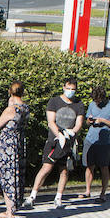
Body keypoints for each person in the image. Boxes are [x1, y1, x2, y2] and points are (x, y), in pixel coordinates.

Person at [24, 78, 84, 210]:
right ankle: (33, 196)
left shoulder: (78, 104)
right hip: (54, 141)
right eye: (68, 88)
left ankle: (58, 197)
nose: (70, 91)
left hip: (69, 142)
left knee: (64, 170)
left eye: (73, 89)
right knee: (46, 167)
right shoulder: (54, 102)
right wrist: (59, 135)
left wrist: (71, 133)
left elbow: (79, 123)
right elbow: (51, 121)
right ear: (63, 87)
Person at [0, 81, 29, 218]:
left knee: (6, 176)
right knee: (15, 174)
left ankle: (10, 213)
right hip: (18, 143)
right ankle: (9, 209)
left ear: (10, 92)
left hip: (7, 145)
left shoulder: (11, 109)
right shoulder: (25, 108)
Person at [81, 87, 110, 200]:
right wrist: (90, 120)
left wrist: (102, 121)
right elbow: (87, 121)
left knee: (104, 167)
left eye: (98, 101)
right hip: (90, 139)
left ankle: (103, 193)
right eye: (95, 101)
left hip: (104, 142)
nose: (96, 103)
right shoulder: (92, 104)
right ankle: (87, 190)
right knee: (89, 166)